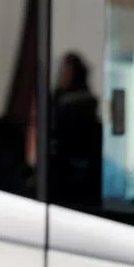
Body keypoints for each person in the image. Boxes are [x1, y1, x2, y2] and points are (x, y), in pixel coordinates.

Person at [47, 51, 103, 208]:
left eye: (67, 71)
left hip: (73, 185)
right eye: (63, 71)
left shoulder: (76, 110)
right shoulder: (58, 103)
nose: (63, 76)